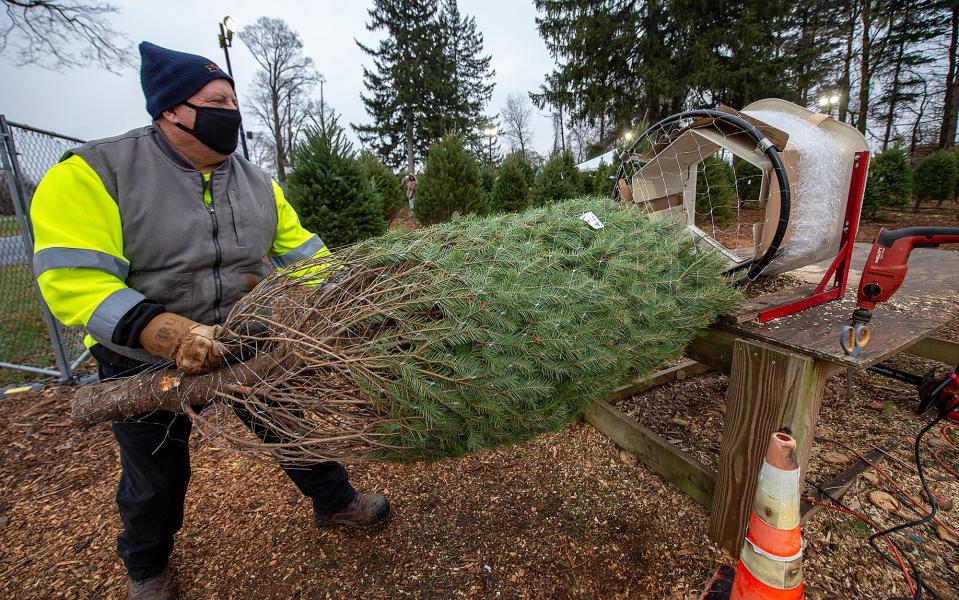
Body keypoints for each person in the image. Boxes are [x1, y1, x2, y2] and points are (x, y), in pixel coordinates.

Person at [30, 42, 390, 600]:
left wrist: (354, 295)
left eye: (233, 99)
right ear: (171, 110)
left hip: (244, 338)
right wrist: (163, 331)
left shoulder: (255, 181)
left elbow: (304, 253)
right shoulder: (95, 173)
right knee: (155, 476)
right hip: (143, 360)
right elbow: (72, 277)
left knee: (292, 427)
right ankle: (147, 567)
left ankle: (336, 501)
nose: (232, 111)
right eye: (216, 100)